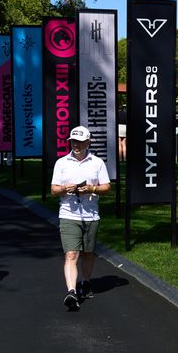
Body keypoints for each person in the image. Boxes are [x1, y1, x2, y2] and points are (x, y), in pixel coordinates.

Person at [50, 126, 111, 310]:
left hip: (91, 215)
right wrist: (64, 188)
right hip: (68, 214)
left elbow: (107, 187)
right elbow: (53, 190)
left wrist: (91, 188)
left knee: (88, 253)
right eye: (73, 141)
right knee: (71, 254)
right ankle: (71, 291)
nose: (75, 145)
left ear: (87, 142)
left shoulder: (97, 163)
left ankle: (85, 281)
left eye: (79, 142)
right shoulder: (61, 163)